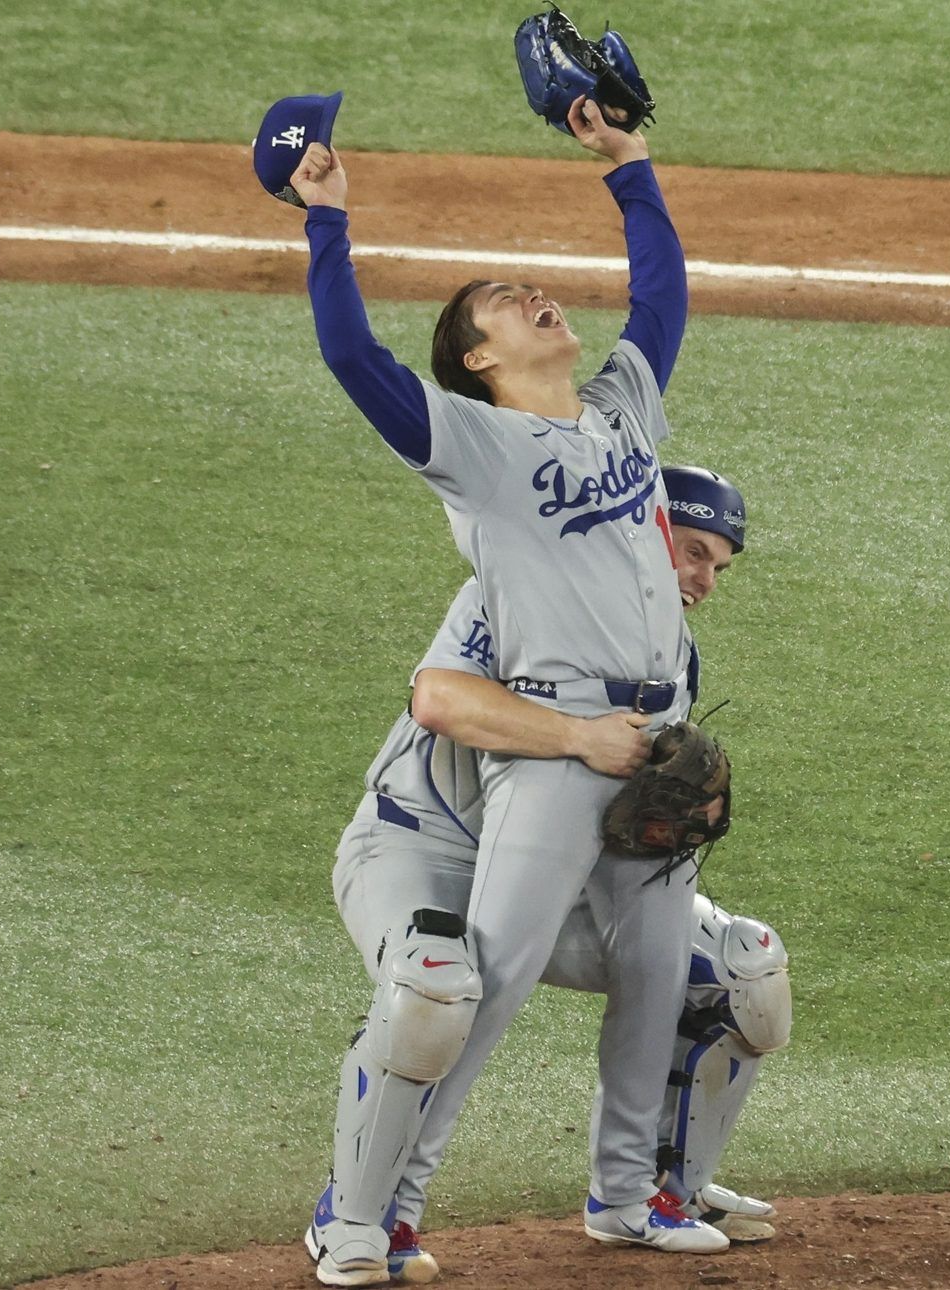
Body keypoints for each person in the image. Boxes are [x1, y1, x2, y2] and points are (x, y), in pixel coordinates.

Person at [293, 94, 718, 1282]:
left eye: (533, 286)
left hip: (655, 728)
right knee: (488, 982)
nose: (538, 296)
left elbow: (662, 300)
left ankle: (627, 1197)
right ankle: (377, 1206)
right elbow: (351, 358)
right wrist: (328, 224)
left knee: (652, 965)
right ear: (479, 360)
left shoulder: (622, 409)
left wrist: (628, 164)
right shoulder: (473, 450)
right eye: (503, 303)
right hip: (552, 741)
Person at [307, 467, 792, 1286]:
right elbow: (442, 701)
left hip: (551, 872)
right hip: (417, 849)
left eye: (721, 565)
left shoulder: (671, 650)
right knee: (436, 987)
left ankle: (648, 1193)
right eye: (695, 551)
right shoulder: (519, 593)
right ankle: (357, 1218)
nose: (704, 578)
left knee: (741, 971)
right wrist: (576, 735)